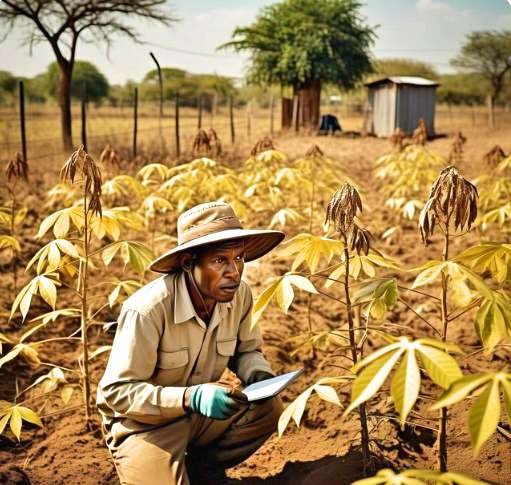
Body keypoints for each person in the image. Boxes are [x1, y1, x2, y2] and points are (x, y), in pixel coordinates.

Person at [97, 201, 285, 485]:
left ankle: (201, 469)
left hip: (201, 418)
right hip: (144, 426)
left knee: (268, 408)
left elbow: (247, 350)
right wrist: (190, 398)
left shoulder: (239, 295)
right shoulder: (148, 310)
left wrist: (258, 375)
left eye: (239, 258)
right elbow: (118, 392)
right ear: (188, 263)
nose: (234, 272)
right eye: (220, 260)